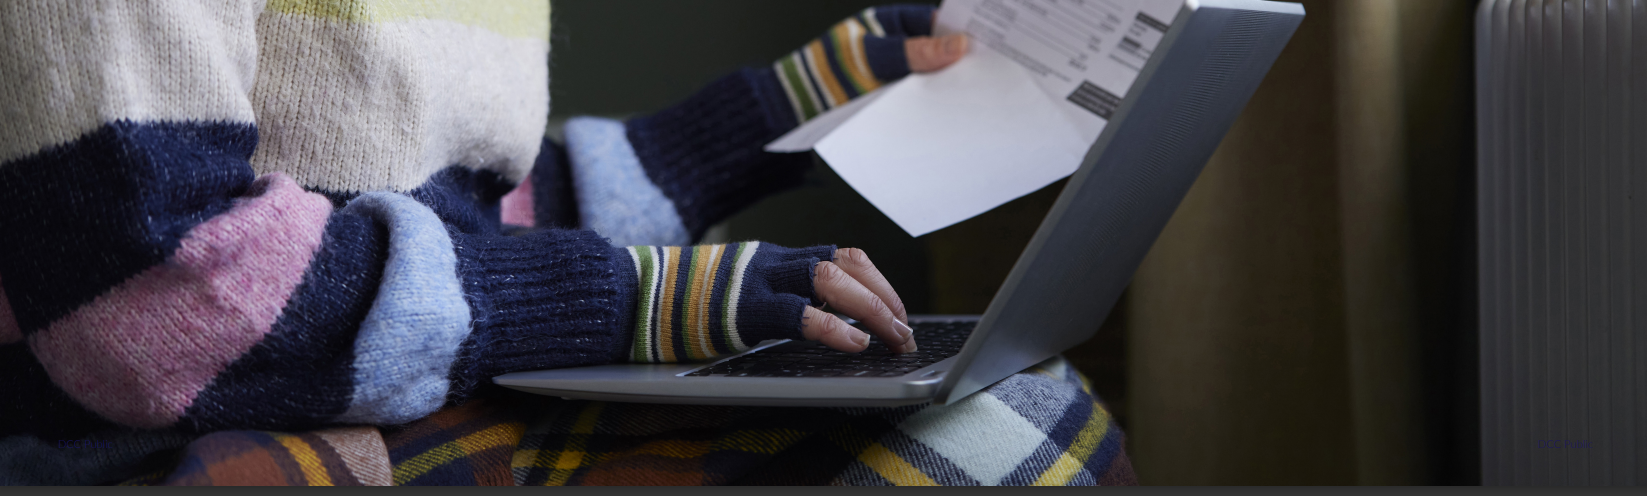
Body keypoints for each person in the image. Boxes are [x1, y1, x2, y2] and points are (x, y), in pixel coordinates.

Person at [0, 1, 1133, 486]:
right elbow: (155, 292)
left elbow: (460, 220)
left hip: (385, 391)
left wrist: (800, 101)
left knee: (1022, 410)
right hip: (153, 440)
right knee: (1006, 446)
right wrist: (638, 301)